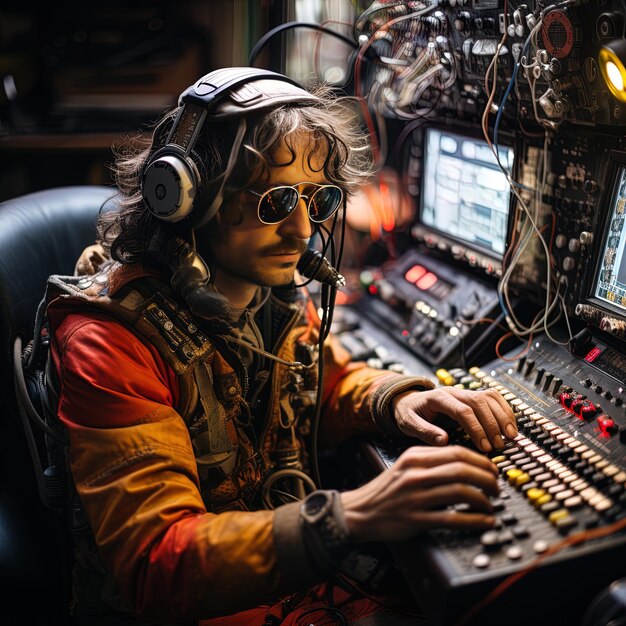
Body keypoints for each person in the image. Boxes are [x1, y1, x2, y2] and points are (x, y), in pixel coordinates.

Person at [44, 67, 516, 625]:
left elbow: (324, 381)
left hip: (288, 587)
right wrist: (352, 516)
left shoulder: (271, 297)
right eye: (274, 202)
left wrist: (395, 399)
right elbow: (159, 566)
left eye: (317, 201)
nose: (301, 229)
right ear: (188, 199)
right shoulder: (110, 341)